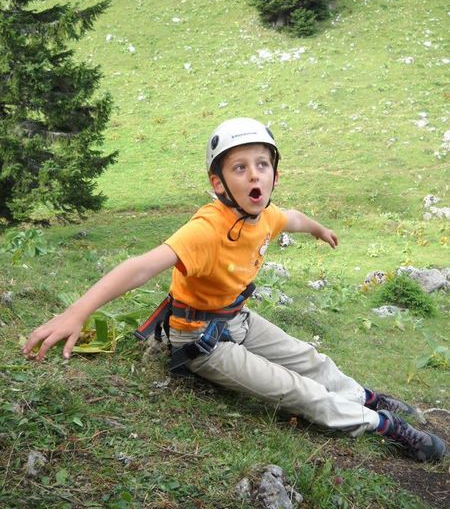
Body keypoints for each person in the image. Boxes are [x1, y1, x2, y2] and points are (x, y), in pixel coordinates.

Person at [23, 117, 447, 463]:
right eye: (239, 167)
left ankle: (365, 397)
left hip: (237, 318)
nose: (254, 174)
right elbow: (141, 267)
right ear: (219, 182)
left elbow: (293, 217)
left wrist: (320, 229)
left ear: (275, 175)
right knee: (299, 391)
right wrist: (77, 312)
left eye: (262, 164)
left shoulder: (266, 215)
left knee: (311, 360)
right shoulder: (206, 230)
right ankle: (383, 426)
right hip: (200, 341)